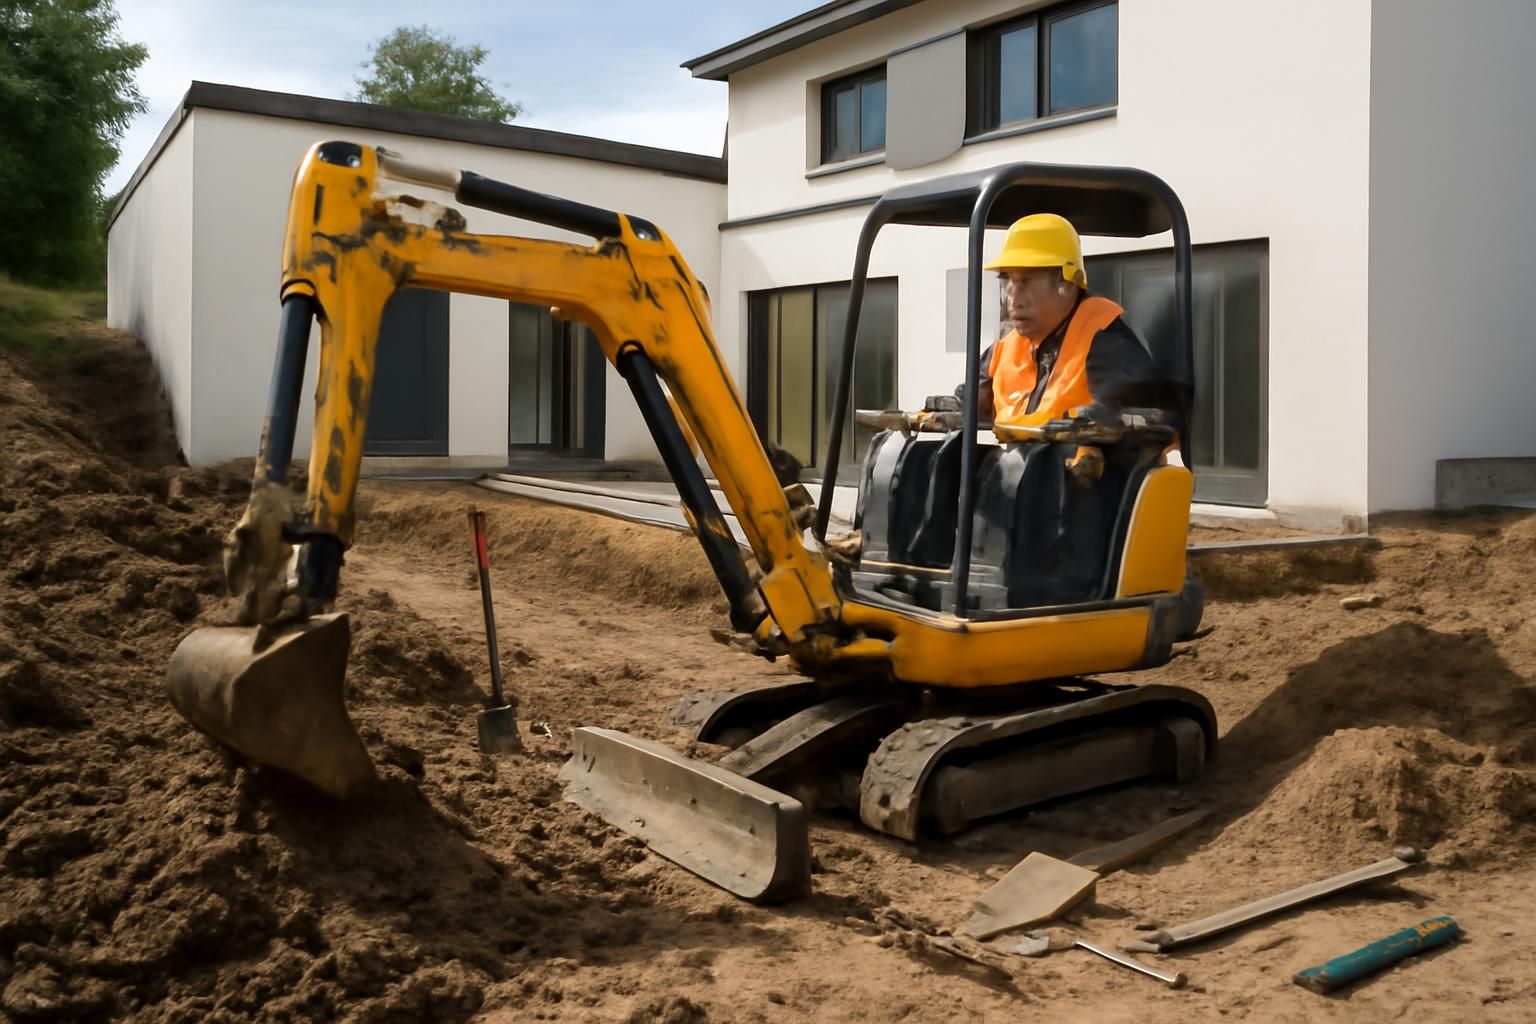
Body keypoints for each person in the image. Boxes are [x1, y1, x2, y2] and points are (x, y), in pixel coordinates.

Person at [957, 213, 1169, 427]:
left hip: (1081, 459)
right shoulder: (1005, 349)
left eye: (1026, 282)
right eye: (1009, 282)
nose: (1014, 300)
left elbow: (1140, 425)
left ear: (1067, 284)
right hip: (1024, 457)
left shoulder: (1106, 343)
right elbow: (973, 402)